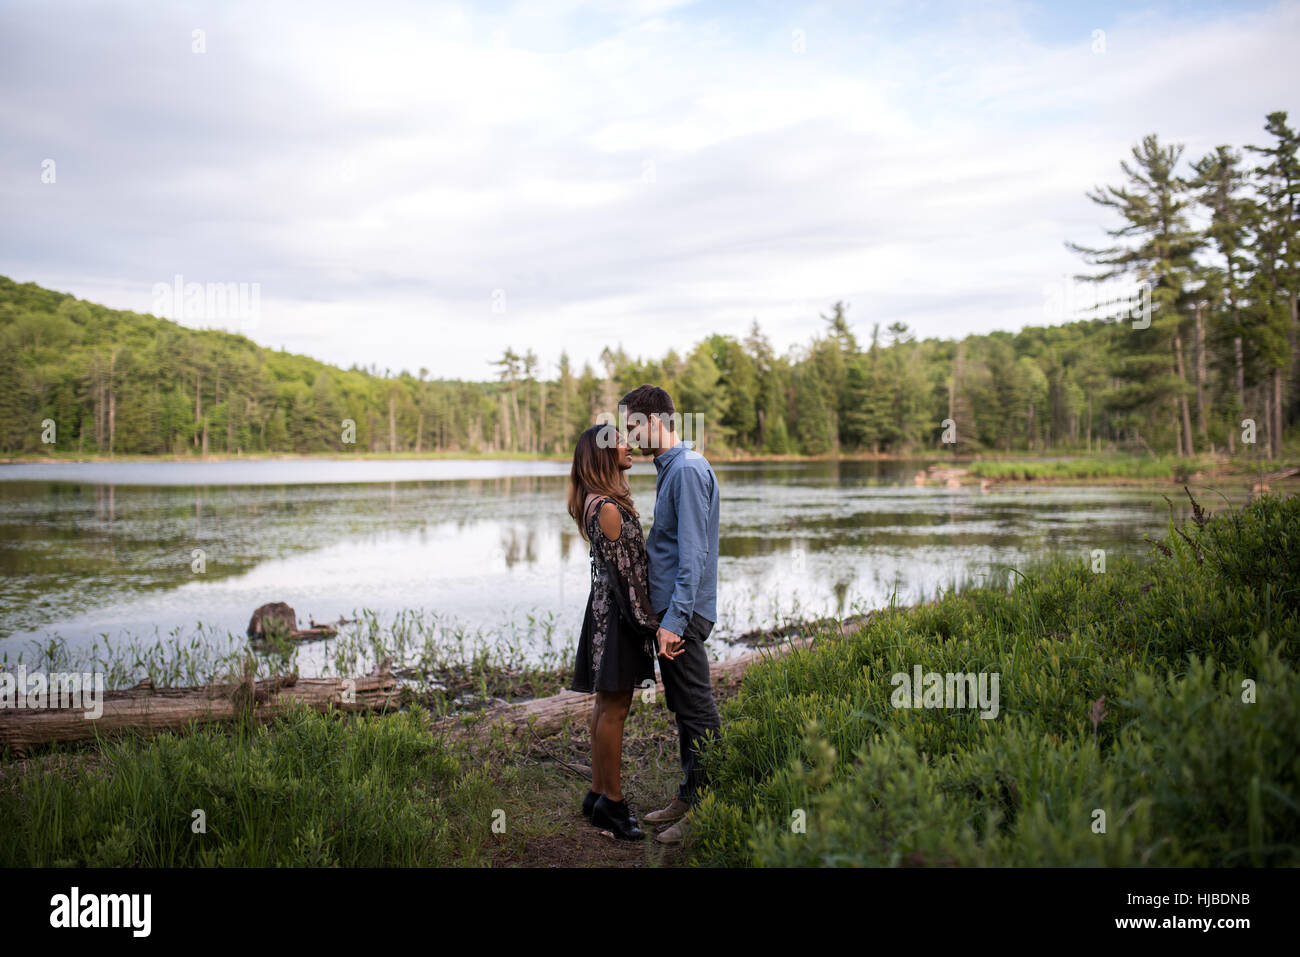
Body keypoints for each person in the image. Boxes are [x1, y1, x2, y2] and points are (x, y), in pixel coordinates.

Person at [620, 384, 721, 846]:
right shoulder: (672, 468)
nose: (627, 436)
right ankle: (689, 794)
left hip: (683, 615)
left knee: (696, 709)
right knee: (683, 707)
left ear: (653, 421)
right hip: (672, 612)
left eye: (631, 426)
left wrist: (673, 622)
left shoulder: (686, 470)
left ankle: (709, 808)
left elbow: (694, 554)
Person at [567, 422, 660, 841]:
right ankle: (615, 805)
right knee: (615, 710)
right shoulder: (606, 508)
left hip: (604, 611)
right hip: (619, 616)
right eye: (620, 442)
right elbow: (629, 578)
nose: (629, 446)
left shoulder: (593, 500)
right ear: (602, 454)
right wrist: (652, 625)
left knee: (605, 706)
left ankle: (598, 794)